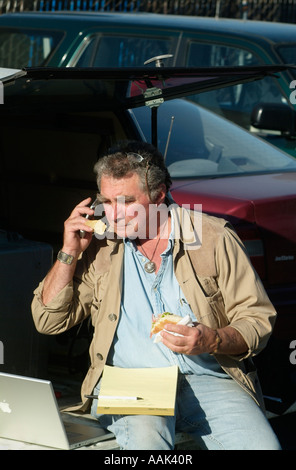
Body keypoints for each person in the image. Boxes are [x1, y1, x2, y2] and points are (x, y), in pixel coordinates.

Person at [31, 141, 281, 450]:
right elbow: (47, 321)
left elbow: (257, 320)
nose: (114, 214)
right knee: (147, 446)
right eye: (106, 201)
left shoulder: (213, 237)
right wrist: (69, 251)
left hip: (207, 380)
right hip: (129, 382)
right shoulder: (99, 246)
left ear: (159, 194)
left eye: (126, 201)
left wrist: (210, 339)